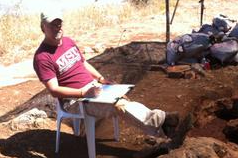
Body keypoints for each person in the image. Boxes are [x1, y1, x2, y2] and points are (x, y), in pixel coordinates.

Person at [33, 8, 180, 138]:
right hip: (74, 100)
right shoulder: (42, 57)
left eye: (59, 23)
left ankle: (161, 127)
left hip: (93, 87)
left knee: (122, 97)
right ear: (43, 27)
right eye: (52, 24)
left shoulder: (68, 41)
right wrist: (83, 93)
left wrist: (101, 79)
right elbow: (54, 90)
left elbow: (83, 63)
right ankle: (163, 125)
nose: (57, 27)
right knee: (117, 104)